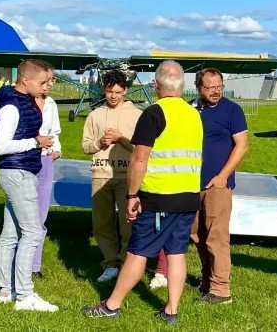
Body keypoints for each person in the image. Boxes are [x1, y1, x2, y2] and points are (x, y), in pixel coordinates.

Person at [81, 60, 203, 325]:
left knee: (137, 252)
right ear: (182, 85)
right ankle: (171, 309)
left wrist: (131, 195)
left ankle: (112, 304)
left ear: (156, 84)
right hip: (189, 195)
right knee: (176, 253)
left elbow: (139, 158)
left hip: (159, 196)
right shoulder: (194, 114)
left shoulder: (153, 113)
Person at [150, 68, 248, 306]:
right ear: (198, 87)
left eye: (219, 87)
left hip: (217, 184)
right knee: (197, 235)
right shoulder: (189, 109)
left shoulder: (232, 110)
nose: (215, 91)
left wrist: (223, 176)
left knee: (216, 237)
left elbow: (242, 146)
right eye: (210, 87)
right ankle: (206, 281)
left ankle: (221, 290)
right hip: (190, 183)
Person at [0, 59, 58, 312]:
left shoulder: (24, 101)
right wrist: (35, 142)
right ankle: (24, 295)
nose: (46, 86)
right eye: (43, 82)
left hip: (19, 171)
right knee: (32, 231)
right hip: (17, 173)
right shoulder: (11, 107)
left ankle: (6, 291)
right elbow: (2, 146)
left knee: (11, 234)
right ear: (25, 80)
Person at [82, 70, 142, 282]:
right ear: (103, 90)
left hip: (127, 176)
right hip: (100, 174)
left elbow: (141, 149)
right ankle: (110, 263)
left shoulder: (136, 115)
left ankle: (126, 263)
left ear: (125, 90)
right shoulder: (94, 115)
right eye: (109, 92)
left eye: (117, 92)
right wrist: (100, 143)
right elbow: (85, 146)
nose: (113, 96)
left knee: (129, 224)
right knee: (101, 224)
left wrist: (121, 139)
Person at [32, 67, 62, 279]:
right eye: (46, 80)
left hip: (46, 160)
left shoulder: (51, 104)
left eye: (52, 80)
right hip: (25, 159)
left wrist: (56, 149)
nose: (49, 84)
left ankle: (34, 265)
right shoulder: (23, 102)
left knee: (41, 214)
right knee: (22, 214)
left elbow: (55, 132)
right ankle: (14, 262)